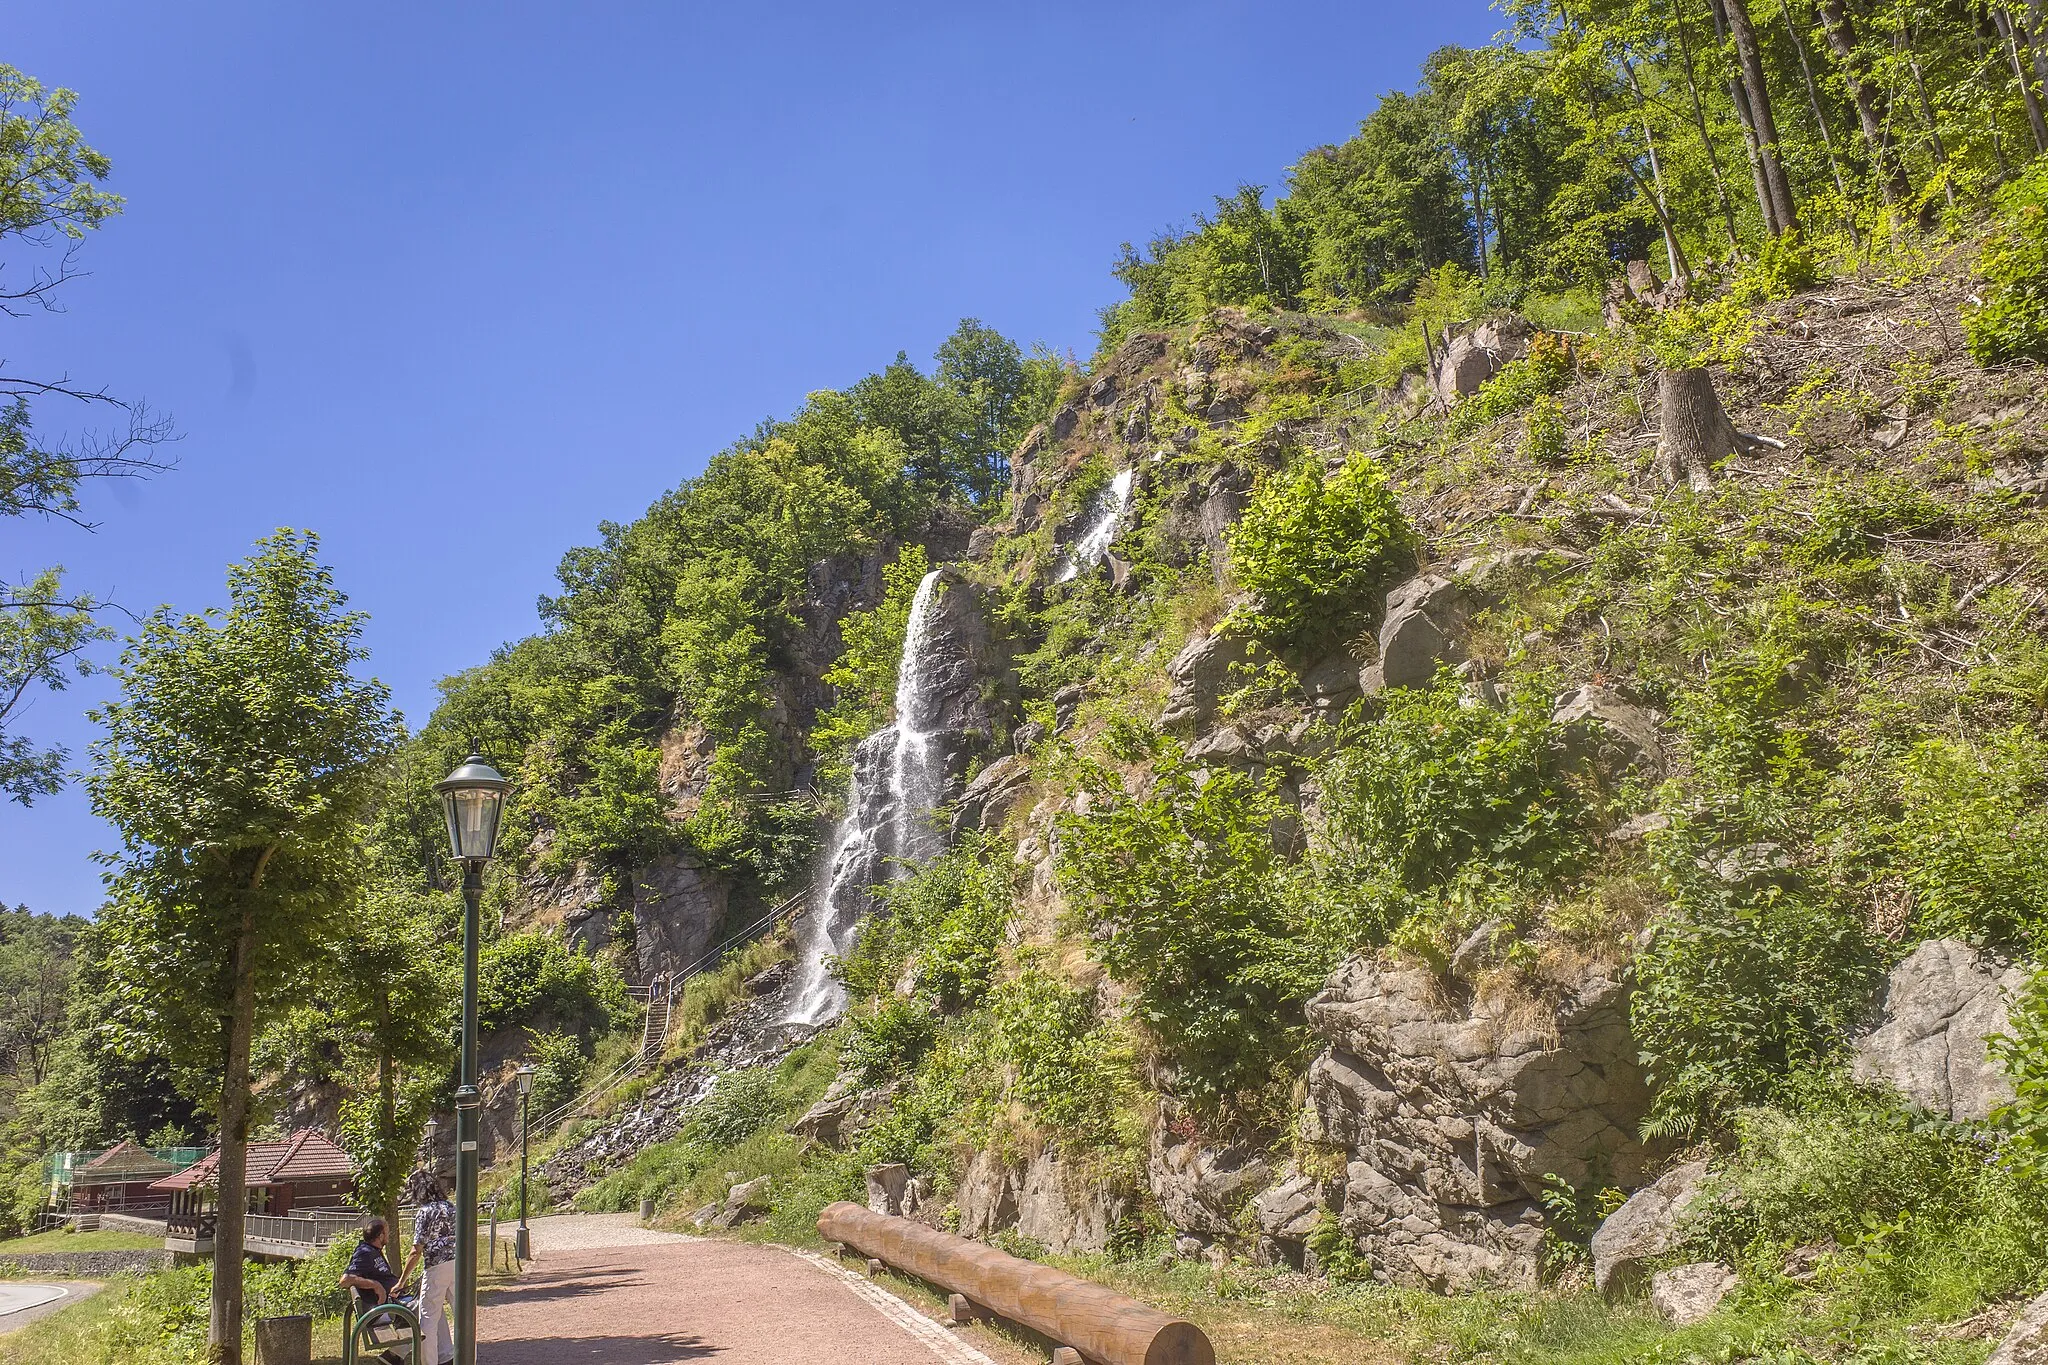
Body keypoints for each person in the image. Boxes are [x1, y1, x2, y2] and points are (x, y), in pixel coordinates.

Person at [399, 1172, 457, 1365]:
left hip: (436, 1266)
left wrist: (402, 1281)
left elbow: (416, 1251)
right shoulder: (451, 1207)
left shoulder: (424, 1212)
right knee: (463, 1315)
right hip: (459, 1264)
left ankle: (429, 1362)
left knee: (428, 1320)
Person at [339, 1217, 409, 1365]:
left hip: (390, 1304)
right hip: (380, 1311)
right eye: (387, 1232)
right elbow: (344, 1280)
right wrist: (375, 1285)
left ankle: (395, 1357)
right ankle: (394, 1357)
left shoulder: (374, 1251)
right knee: (424, 1314)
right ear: (381, 1236)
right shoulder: (364, 1252)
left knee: (424, 1311)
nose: (389, 1235)